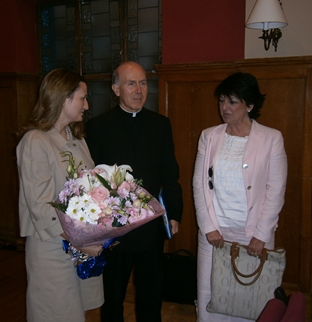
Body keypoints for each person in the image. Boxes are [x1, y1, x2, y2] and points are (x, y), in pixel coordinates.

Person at [85, 61, 183, 322]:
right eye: (131, 83)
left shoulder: (160, 125)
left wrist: (174, 213)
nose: (139, 90)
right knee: (112, 297)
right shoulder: (97, 127)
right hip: (114, 229)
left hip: (150, 227)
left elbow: (170, 173)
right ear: (116, 89)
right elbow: (91, 181)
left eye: (143, 83)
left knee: (151, 296)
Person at [192, 72, 288, 322]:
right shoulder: (209, 136)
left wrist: (261, 235)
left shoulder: (271, 138)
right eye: (222, 100)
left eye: (232, 101)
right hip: (215, 233)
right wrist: (208, 227)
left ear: (250, 105)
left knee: (249, 297)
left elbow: (275, 190)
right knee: (210, 294)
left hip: (253, 233)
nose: (225, 107)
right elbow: (199, 185)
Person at [16, 69, 104, 322]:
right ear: (63, 98)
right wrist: (79, 240)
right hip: (52, 245)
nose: (86, 106)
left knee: (76, 312)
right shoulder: (35, 141)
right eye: (82, 98)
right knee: (55, 313)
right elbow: (41, 206)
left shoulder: (75, 137)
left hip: (78, 244)